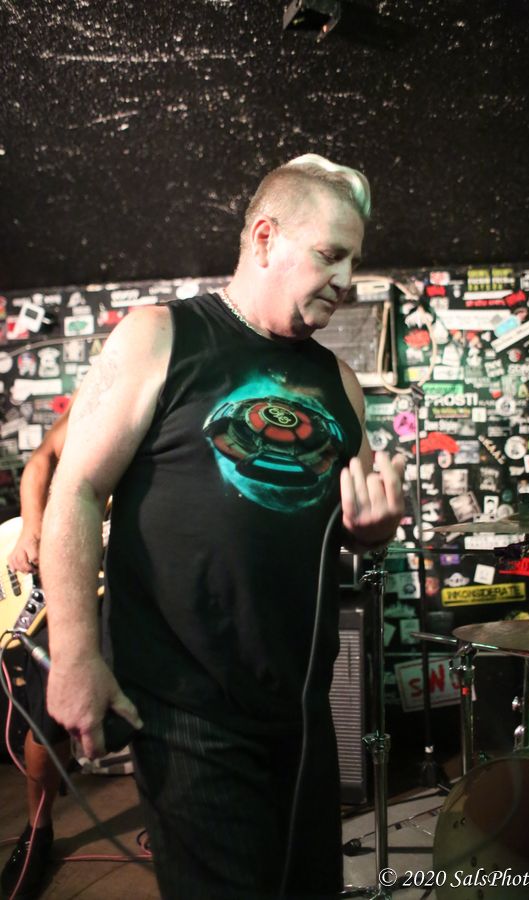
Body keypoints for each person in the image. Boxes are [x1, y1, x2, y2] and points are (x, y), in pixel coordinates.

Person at [40, 153, 405, 900]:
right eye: (330, 255)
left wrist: (375, 530)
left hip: (300, 701)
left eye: (354, 262)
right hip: (185, 699)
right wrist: (75, 654)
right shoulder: (159, 335)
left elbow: (359, 516)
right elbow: (74, 489)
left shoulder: (338, 381)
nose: (346, 279)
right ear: (266, 238)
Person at [2, 413, 71, 899]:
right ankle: (38, 829)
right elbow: (43, 456)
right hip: (62, 584)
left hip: (144, 580)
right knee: (49, 713)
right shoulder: (123, 383)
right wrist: (31, 529)